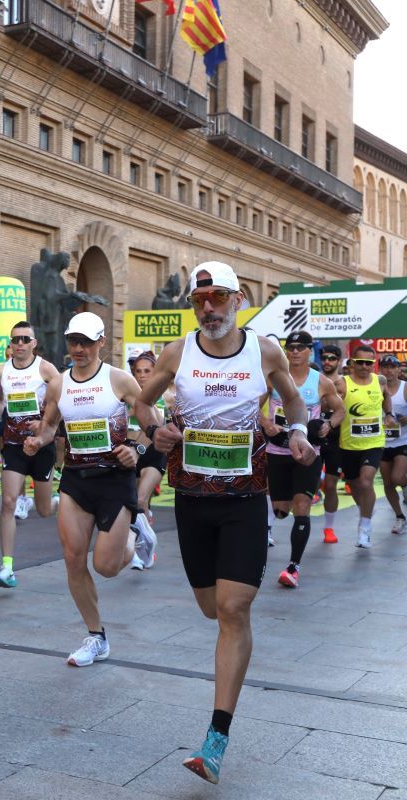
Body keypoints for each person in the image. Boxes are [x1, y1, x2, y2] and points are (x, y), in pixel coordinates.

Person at [135, 261, 315, 785]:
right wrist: (157, 432)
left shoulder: (264, 350)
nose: (209, 308)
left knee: (235, 608)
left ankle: (216, 737)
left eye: (218, 298)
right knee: (212, 607)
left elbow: (293, 398)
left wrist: (297, 431)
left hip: (245, 496)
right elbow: (143, 406)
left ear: (238, 299)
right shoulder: (177, 352)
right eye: (200, 300)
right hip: (191, 498)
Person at [23, 312, 152, 667]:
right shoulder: (59, 384)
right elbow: (51, 427)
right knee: (73, 558)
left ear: (101, 343)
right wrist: (38, 440)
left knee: (107, 567)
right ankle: (96, 637)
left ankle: (132, 534)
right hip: (77, 480)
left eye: (85, 342)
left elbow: (152, 418)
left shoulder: (120, 380)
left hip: (114, 479)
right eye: (73, 342)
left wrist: (137, 449)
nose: (78, 349)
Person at [258, 331, 341, 588]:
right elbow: (253, 406)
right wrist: (266, 423)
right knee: (281, 509)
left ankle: (293, 567)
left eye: (300, 347)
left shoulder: (321, 381)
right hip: (278, 450)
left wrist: (328, 424)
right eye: (290, 347)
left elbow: (340, 410)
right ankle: (277, 518)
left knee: (302, 504)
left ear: (309, 351)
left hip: (308, 453)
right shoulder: (274, 378)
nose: (294, 351)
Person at [0, 320, 61, 588]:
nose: (19, 344)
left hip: (41, 446)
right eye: (15, 339)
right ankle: (7, 567)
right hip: (15, 447)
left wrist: (43, 424)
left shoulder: (45, 369)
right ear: (10, 343)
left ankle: (59, 501)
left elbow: (60, 399)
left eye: (24, 339)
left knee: (44, 511)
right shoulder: (1, 371)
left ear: (33, 343)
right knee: (7, 502)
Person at [334, 344, 390, 548]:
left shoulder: (380, 380)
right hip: (348, 445)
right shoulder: (343, 384)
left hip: (374, 442)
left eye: (369, 363)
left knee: (366, 482)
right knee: (355, 485)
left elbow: (387, 398)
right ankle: (366, 509)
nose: (365, 366)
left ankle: (364, 528)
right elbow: (330, 404)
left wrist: (389, 414)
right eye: (361, 362)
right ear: (352, 363)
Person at [127, 351, 167, 570]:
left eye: (147, 371)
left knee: (140, 500)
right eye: (138, 371)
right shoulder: (126, 394)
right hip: (131, 453)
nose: (142, 376)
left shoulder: (164, 395)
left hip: (153, 453)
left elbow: (157, 424)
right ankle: (142, 547)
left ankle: (144, 544)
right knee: (134, 506)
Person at [318, 344, 346, 542]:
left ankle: (329, 528)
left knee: (331, 485)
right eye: (324, 358)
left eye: (332, 358)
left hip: (336, 439)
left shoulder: (344, 383)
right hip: (314, 437)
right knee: (308, 483)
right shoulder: (314, 380)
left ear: (338, 361)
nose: (327, 362)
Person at [379, 355, 407, 535]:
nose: (388, 370)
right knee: (388, 484)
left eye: (392, 367)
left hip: (403, 441)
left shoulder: (405, 388)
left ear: (399, 369)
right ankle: (400, 517)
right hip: (382, 443)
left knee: (397, 478)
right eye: (385, 367)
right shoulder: (375, 387)